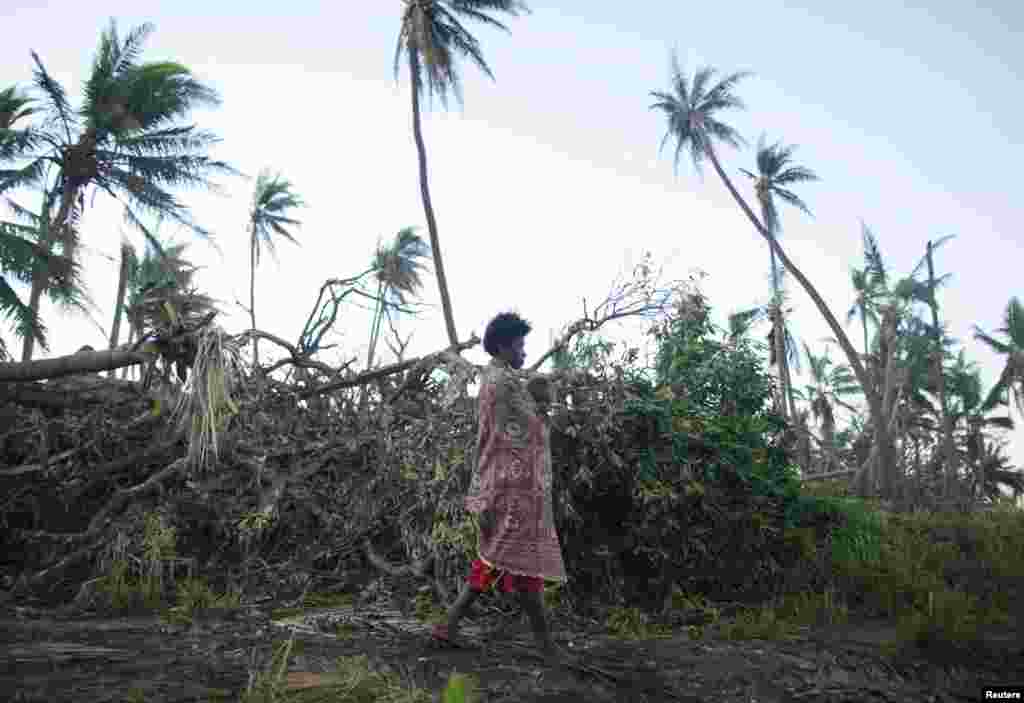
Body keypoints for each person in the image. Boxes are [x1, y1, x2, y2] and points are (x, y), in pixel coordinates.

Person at [431, 311, 567, 660]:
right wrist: (543, 408)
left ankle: (448, 625)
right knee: (516, 564)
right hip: (510, 489)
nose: (524, 352)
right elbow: (525, 431)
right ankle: (546, 646)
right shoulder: (502, 384)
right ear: (505, 346)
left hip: (505, 485)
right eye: (520, 345)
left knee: (498, 561)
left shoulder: (499, 379)